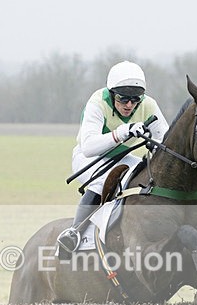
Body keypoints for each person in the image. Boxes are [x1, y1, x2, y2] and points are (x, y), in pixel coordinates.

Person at [57, 60, 169, 254]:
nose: (129, 105)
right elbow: (89, 147)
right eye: (123, 99)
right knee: (104, 181)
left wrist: (154, 143)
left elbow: (165, 141)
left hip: (121, 158)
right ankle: (74, 232)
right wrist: (122, 132)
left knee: (147, 178)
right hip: (89, 159)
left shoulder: (149, 105)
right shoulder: (97, 102)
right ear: (111, 94)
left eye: (135, 100)